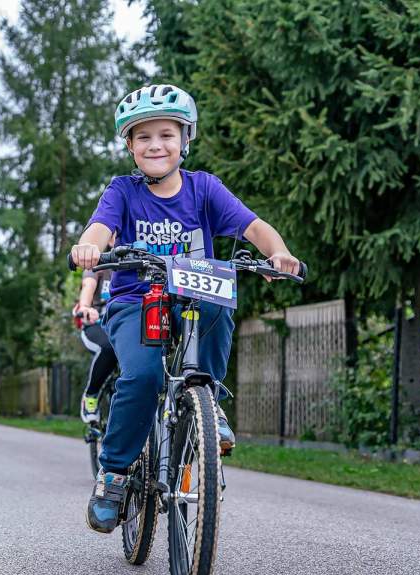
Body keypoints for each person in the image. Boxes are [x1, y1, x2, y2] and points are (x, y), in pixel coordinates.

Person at [70, 84, 302, 533]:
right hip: (137, 299)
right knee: (142, 375)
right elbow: (100, 228)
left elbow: (254, 226)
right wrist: (88, 246)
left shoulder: (204, 189)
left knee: (218, 304)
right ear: (130, 146)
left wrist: (279, 253)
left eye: (166, 135)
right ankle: (113, 476)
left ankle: (207, 400)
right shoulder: (122, 191)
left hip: (195, 292)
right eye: (143, 137)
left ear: (185, 139)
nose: (155, 144)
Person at [73, 246, 117, 425]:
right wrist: (85, 306)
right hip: (96, 323)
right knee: (109, 347)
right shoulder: (98, 262)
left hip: (125, 323)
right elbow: (88, 285)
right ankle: (90, 396)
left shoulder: (142, 263)